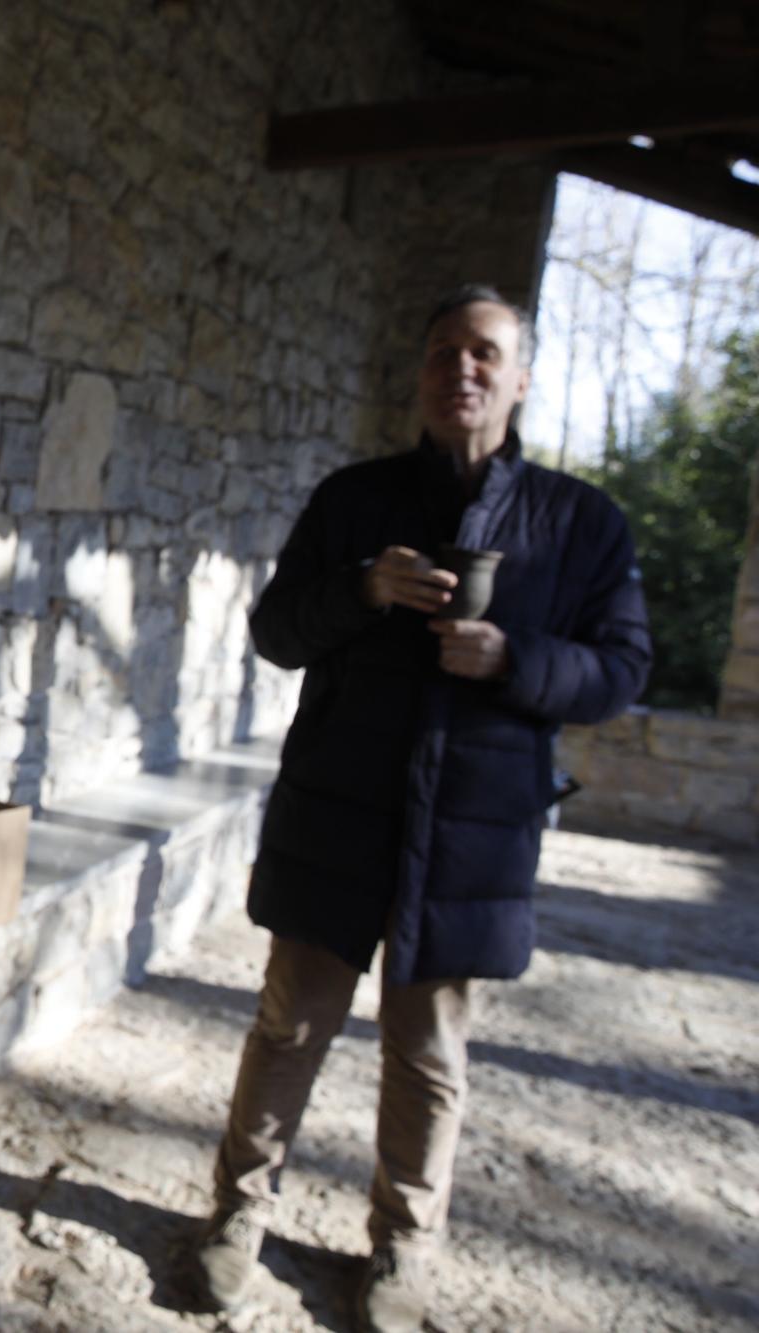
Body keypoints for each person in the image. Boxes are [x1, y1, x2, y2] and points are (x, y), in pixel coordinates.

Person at [188, 285, 651, 1332]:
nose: (462, 369)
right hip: (336, 812)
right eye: (442, 351)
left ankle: (401, 1247)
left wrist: (512, 658)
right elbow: (274, 630)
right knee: (286, 1026)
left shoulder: (579, 524)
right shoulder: (353, 499)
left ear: (520, 380)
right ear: (420, 375)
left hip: (468, 833)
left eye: (484, 353)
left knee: (428, 1054)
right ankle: (235, 1213)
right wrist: (359, 589)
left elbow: (620, 670)